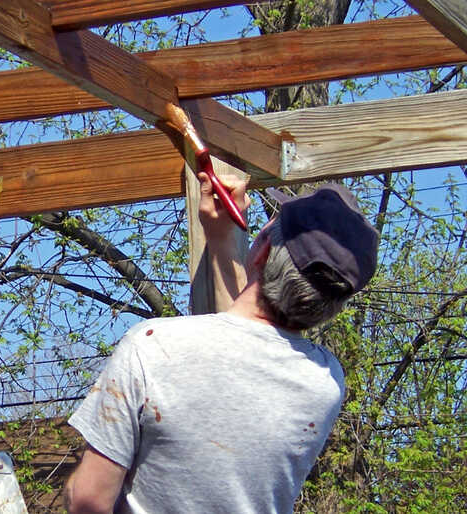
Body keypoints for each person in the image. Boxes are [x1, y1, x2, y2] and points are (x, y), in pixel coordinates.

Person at [64, 173, 380, 514]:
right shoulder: (326, 381)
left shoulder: (153, 347)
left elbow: (89, 500)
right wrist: (221, 238)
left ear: (263, 252)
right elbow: (245, 345)